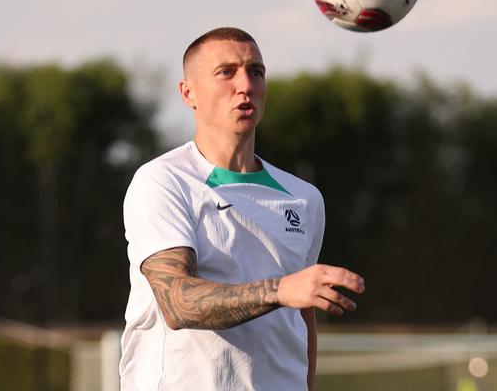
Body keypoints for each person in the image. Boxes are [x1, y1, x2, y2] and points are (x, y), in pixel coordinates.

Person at [120, 27, 365, 390]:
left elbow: (301, 316)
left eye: (256, 72)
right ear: (188, 93)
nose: (245, 85)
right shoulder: (163, 181)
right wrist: (280, 290)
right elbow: (177, 303)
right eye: (226, 72)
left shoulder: (304, 198)